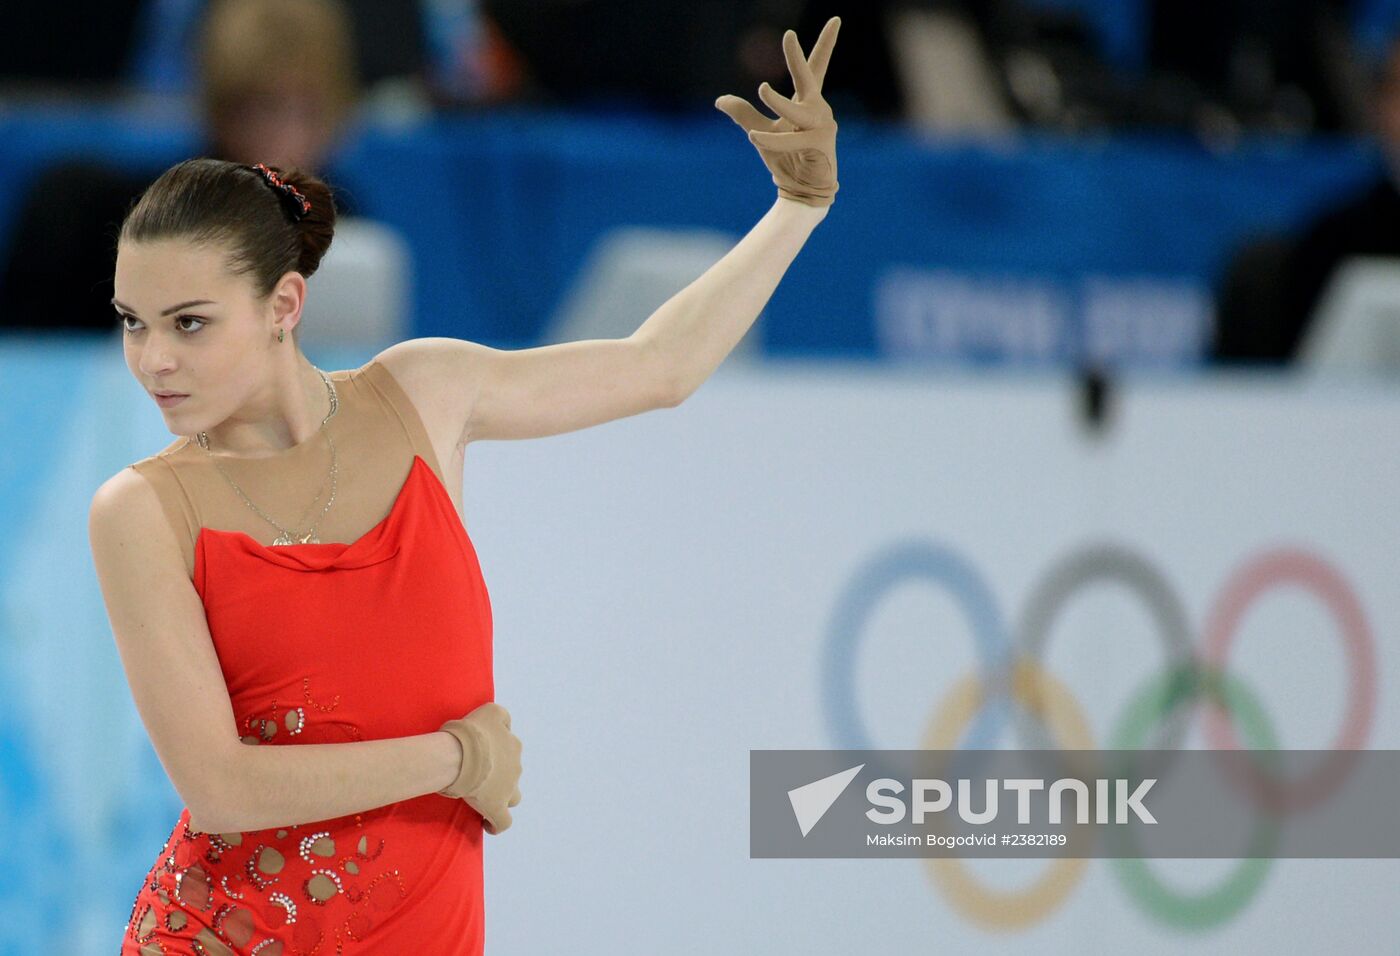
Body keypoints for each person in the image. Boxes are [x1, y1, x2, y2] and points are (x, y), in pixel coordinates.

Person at [90, 18, 841, 953]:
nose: (152, 360)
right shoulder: (142, 509)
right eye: (133, 322)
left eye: (188, 324)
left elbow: (661, 366)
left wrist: (796, 208)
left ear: (284, 305)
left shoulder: (424, 394)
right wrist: (457, 759)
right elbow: (220, 788)